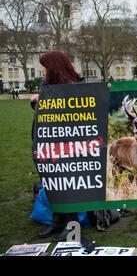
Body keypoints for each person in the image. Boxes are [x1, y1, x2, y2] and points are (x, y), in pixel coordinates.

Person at [31, 51, 83, 240]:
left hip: (65, 144)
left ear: (53, 68)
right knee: (50, 181)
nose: (43, 71)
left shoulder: (72, 87)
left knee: (66, 183)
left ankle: (72, 222)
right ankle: (58, 219)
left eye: (45, 67)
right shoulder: (46, 85)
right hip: (46, 143)